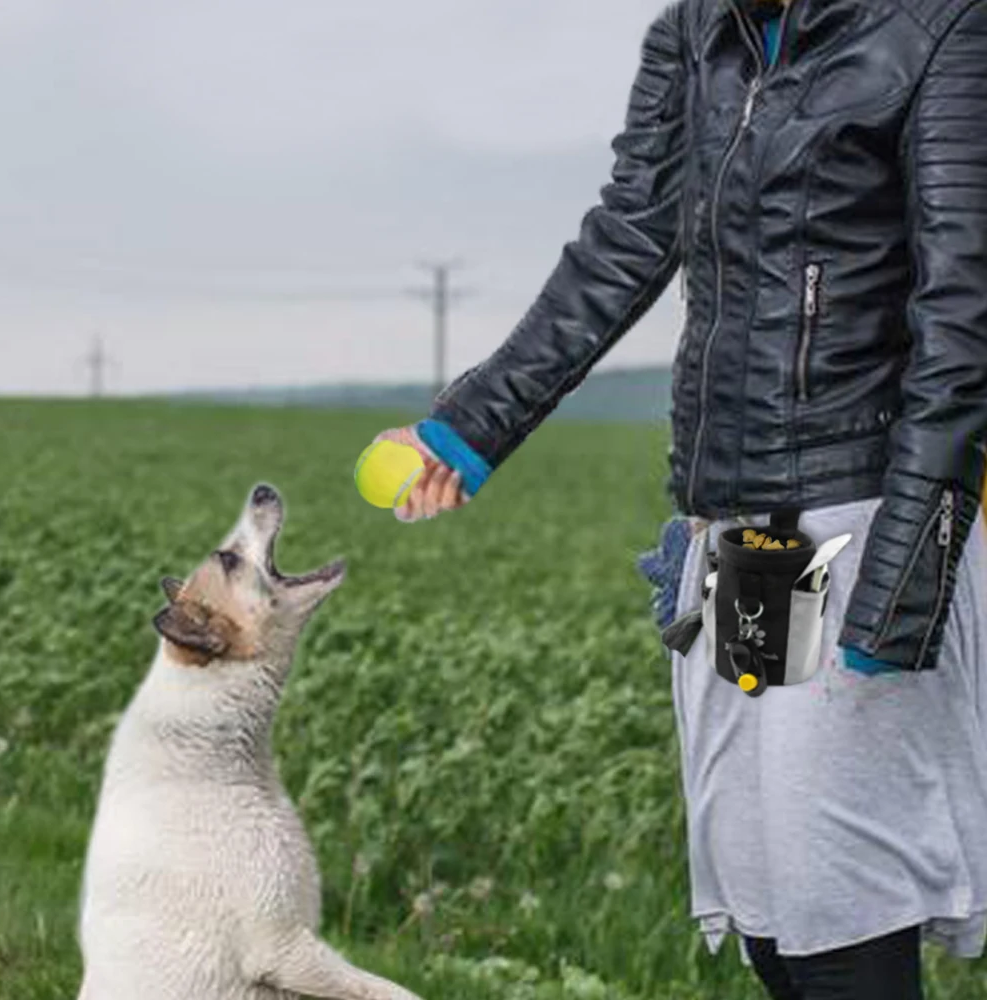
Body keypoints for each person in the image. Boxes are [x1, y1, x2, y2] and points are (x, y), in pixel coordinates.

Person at [372, 0, 987, 996]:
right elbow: (627, 238)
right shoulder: (697, 32)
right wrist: (470, 425)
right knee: (775, 922)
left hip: (862, 518)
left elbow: (963, 319)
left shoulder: (939, 26)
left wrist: (907, 567)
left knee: (842, 918)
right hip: (744, 540)